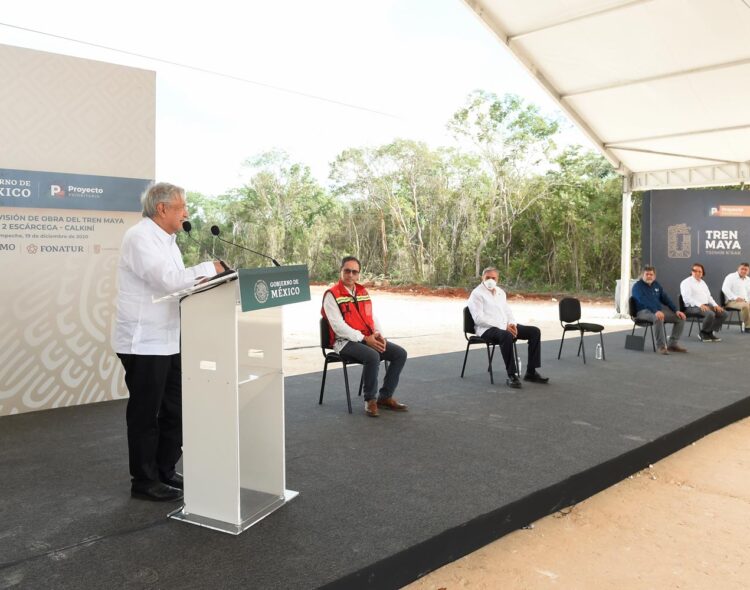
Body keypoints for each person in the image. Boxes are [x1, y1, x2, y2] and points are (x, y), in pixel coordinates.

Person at [113, 182, 223, 501]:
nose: (186, 212)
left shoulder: (170, 241)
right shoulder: (139, 237)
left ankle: (164, 470)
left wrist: (215, 278)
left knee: (175, 409)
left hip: (169, 338)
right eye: (181, 207)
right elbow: (168, 281)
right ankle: (143, 481)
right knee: (146, 414)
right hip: (143, 341)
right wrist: (210, 268)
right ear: (162, 209)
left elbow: (179, 287)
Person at [322, 256, 408, 417]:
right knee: (373, 356)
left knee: (399, 354)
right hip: (344, 342)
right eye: (347, 271)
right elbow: (338, 327)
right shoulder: (331, 295)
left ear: (358, 274)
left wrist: (379, 335)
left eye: (354, 272)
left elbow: (371, 316)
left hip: (366, 338)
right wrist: (364, 339)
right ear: (341, 271)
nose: (350, 275)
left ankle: (385, 397)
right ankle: (370, 400)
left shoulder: (362, 291)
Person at [467, 266, 548, 389]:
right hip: (486, 329)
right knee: (506, 335)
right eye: (487, 277)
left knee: (534, 332)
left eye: (493, 278)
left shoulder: (500, 292)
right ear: (482, 278)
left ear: (497, 279)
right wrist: (504, 326)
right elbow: (479, 319)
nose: (490, 280)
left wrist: (512, 324)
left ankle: (531, 372)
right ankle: (512, 375)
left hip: (504, 326)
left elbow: (508, 312)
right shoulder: (477, 294)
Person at [631, 266, 687, 354]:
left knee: (680, 318)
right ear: (642, 275)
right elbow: (643, 300)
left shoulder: (656, 284)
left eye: (651, 274)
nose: (649, 276)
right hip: (642, 312)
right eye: (647, 274)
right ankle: (661, 347)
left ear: (654, 276)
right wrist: (655, 311)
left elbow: (665, 298)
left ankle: (672, 344)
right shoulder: (637, 287)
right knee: (658, 318)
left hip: (657, 311)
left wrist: (676, 310)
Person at [679, 262, 728, 342]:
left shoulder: (703, 283)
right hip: (691, 307)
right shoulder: (686, 282)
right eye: (695, 271)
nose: (697, 273)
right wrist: (700, 304)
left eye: (700, 271)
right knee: (710, 313)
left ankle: (710, 332)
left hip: (705, 306)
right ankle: (703, 333)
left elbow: (709, 297)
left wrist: (715, 305)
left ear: (702, 273)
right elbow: (686, 298)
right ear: (691, 272)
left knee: (724, 313)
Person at [721, 262, 750, 332]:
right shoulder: (730, 277)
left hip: (745, 301)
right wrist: (735, 297)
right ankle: (747, 327)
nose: (743, 271)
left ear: (748, 271)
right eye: (742, 269)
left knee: (747, 304)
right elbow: (725, 289)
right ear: (738, 269)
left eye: (746, 270)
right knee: (745, 306)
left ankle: (746, 323)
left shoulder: (748, 279)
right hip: (732, 301)